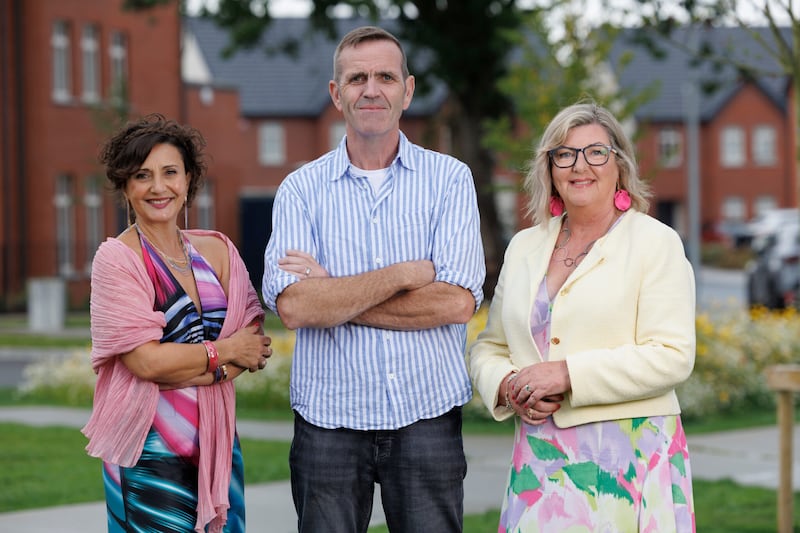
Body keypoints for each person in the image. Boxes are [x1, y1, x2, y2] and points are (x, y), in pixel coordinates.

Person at [262, 26, 485, 533]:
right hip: (329, 422)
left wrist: (334, 293)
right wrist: (405, 275)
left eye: (385, 76)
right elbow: (295, 307)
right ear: (336, 94)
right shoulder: (300, 189)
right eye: (357, 77)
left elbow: (454, 303)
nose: (371, 88)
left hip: (425, 416)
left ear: (407, 90)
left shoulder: (450, 180)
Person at [468, 102, 696, 532]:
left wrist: (566, 374)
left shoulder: (655, 243)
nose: (579, 166)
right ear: (550, 168)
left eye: (595, 152)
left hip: (630, 457)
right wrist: (506, 385)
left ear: (619, 165)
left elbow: (672, 355)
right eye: (564, 154)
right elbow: (490, 346)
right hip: (542, 459)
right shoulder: (523, 247)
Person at [81, 114, 272, 533]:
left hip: (218, 445)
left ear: (188, 179)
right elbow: (146, 364)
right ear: (126, 187)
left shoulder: (218, 250)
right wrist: (223, 354)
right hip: (148, 450)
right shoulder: (118, 259)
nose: (158, 187)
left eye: (170, 172)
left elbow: (253, 344)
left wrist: (188, 368)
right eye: (142, 176)